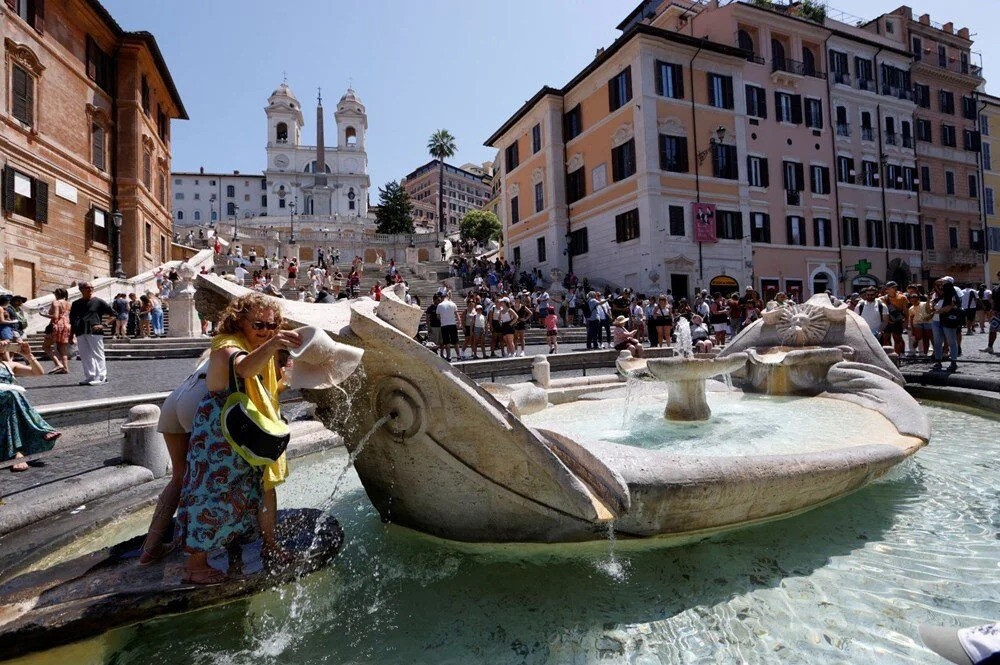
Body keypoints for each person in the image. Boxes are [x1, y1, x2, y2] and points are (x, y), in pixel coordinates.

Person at [174, 293, 301, 583]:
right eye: (258, 324)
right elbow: (243, 368)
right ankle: (195, 565)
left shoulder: (262, 348)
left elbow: (265, 391)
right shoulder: (226, 344)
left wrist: (288, 380)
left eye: (272, 326)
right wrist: (274, 344)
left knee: (258, 488)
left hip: (249, 425)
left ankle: (268, 545)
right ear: (238, 320)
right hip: (220, 430)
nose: (265, 331)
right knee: (210, 490)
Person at [1, 340, 61, 472]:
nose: (3, 343)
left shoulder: (8, 365)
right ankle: (40, 428)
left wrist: (28, 355)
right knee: (12, 394)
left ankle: (17, 453)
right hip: (9, 398)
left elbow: (38, 372)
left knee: (12, 397)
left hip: (9, 404)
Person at [69, 282, 114, 386]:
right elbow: (72, 320)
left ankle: (102, 377)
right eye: (87, 288)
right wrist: (71, 335)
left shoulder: (98, 301)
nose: (90, 289)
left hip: (95, 332)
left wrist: (104, 325)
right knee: (85, 356)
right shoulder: (75, 304)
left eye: (91, 287)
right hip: (80, 332)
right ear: (81, 289)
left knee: (98, 354)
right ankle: (90, 376)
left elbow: (113, 314)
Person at [930, 278, 961, 372]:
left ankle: (953, 362)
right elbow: (932, 307)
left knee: (952, 341)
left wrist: (938, 311)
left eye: (942, 285)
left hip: (948, 320)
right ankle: (938, 361)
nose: (940, 287)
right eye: (939, 285)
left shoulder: (953, 296)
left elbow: (951, 307)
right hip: (936, 321)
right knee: (937, 342)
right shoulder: (937, 296)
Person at [41, 288, 73, 375]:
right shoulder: (68, 304)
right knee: (62, 349)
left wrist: (43, 314)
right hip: (66, 326)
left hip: (57, 326)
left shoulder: (56, 302)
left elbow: (55, 316)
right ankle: (65, 368)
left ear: (56, 294)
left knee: (45, 347)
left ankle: (57, 364)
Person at [880, 281, 908, 355]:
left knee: (898, 339)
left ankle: (897, 356)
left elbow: (906, 311)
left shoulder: (902, 297)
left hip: (898, 321)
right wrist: (887, 320)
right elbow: (882, 311)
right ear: (887, 289)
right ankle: (888, 355)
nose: (895, 288)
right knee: (885, 339)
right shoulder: (882, 299)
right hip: (887, 322)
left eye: (895, 287)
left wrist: (906, 322)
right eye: (893, 287)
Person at [436, 293, 461, 361]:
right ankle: (458, 355)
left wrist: (444, 317)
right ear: (447, 297)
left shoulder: (439, 305)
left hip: (444, 325)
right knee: (455, 341)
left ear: (442, 298)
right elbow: (457, 314)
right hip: (452, 324)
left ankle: (449, 356)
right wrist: (459, 322)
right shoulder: (452, 304)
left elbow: (438, 317)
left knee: (446, 342)